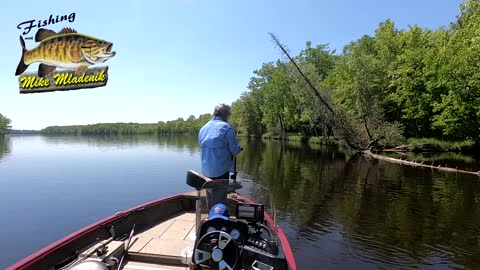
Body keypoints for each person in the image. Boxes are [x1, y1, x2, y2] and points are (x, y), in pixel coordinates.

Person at [199, 103, 242, 208]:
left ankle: (211, 217)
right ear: (226, 114)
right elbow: (235, 151)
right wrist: (239, 148)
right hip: (221, 171)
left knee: (210, 195)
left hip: (206, 170)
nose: (229, 117)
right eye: (229, 114)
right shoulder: (227, 128)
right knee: (220, 198)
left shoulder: (203, 128)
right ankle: (219, 220)